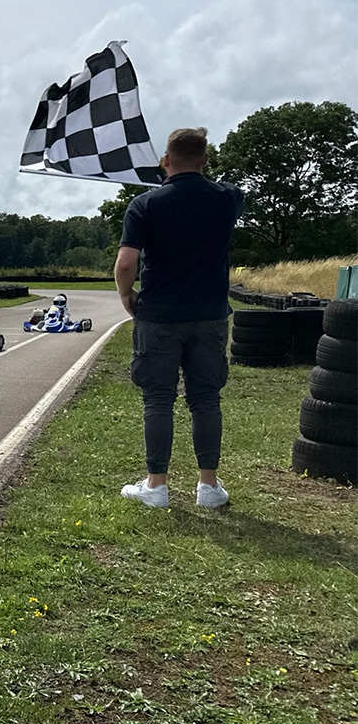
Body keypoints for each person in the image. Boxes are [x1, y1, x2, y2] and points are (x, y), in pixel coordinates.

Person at [115, 127, 244, 510]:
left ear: (165, 161)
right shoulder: (230, 198)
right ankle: (208, 486)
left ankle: (156, 485)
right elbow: (224, 193)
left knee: (158, 399)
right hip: (209, 314)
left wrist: (126, 294)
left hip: (158, 314)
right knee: (205, 399)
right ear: (205, 160)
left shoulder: (144, 205)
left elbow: (126, 263)